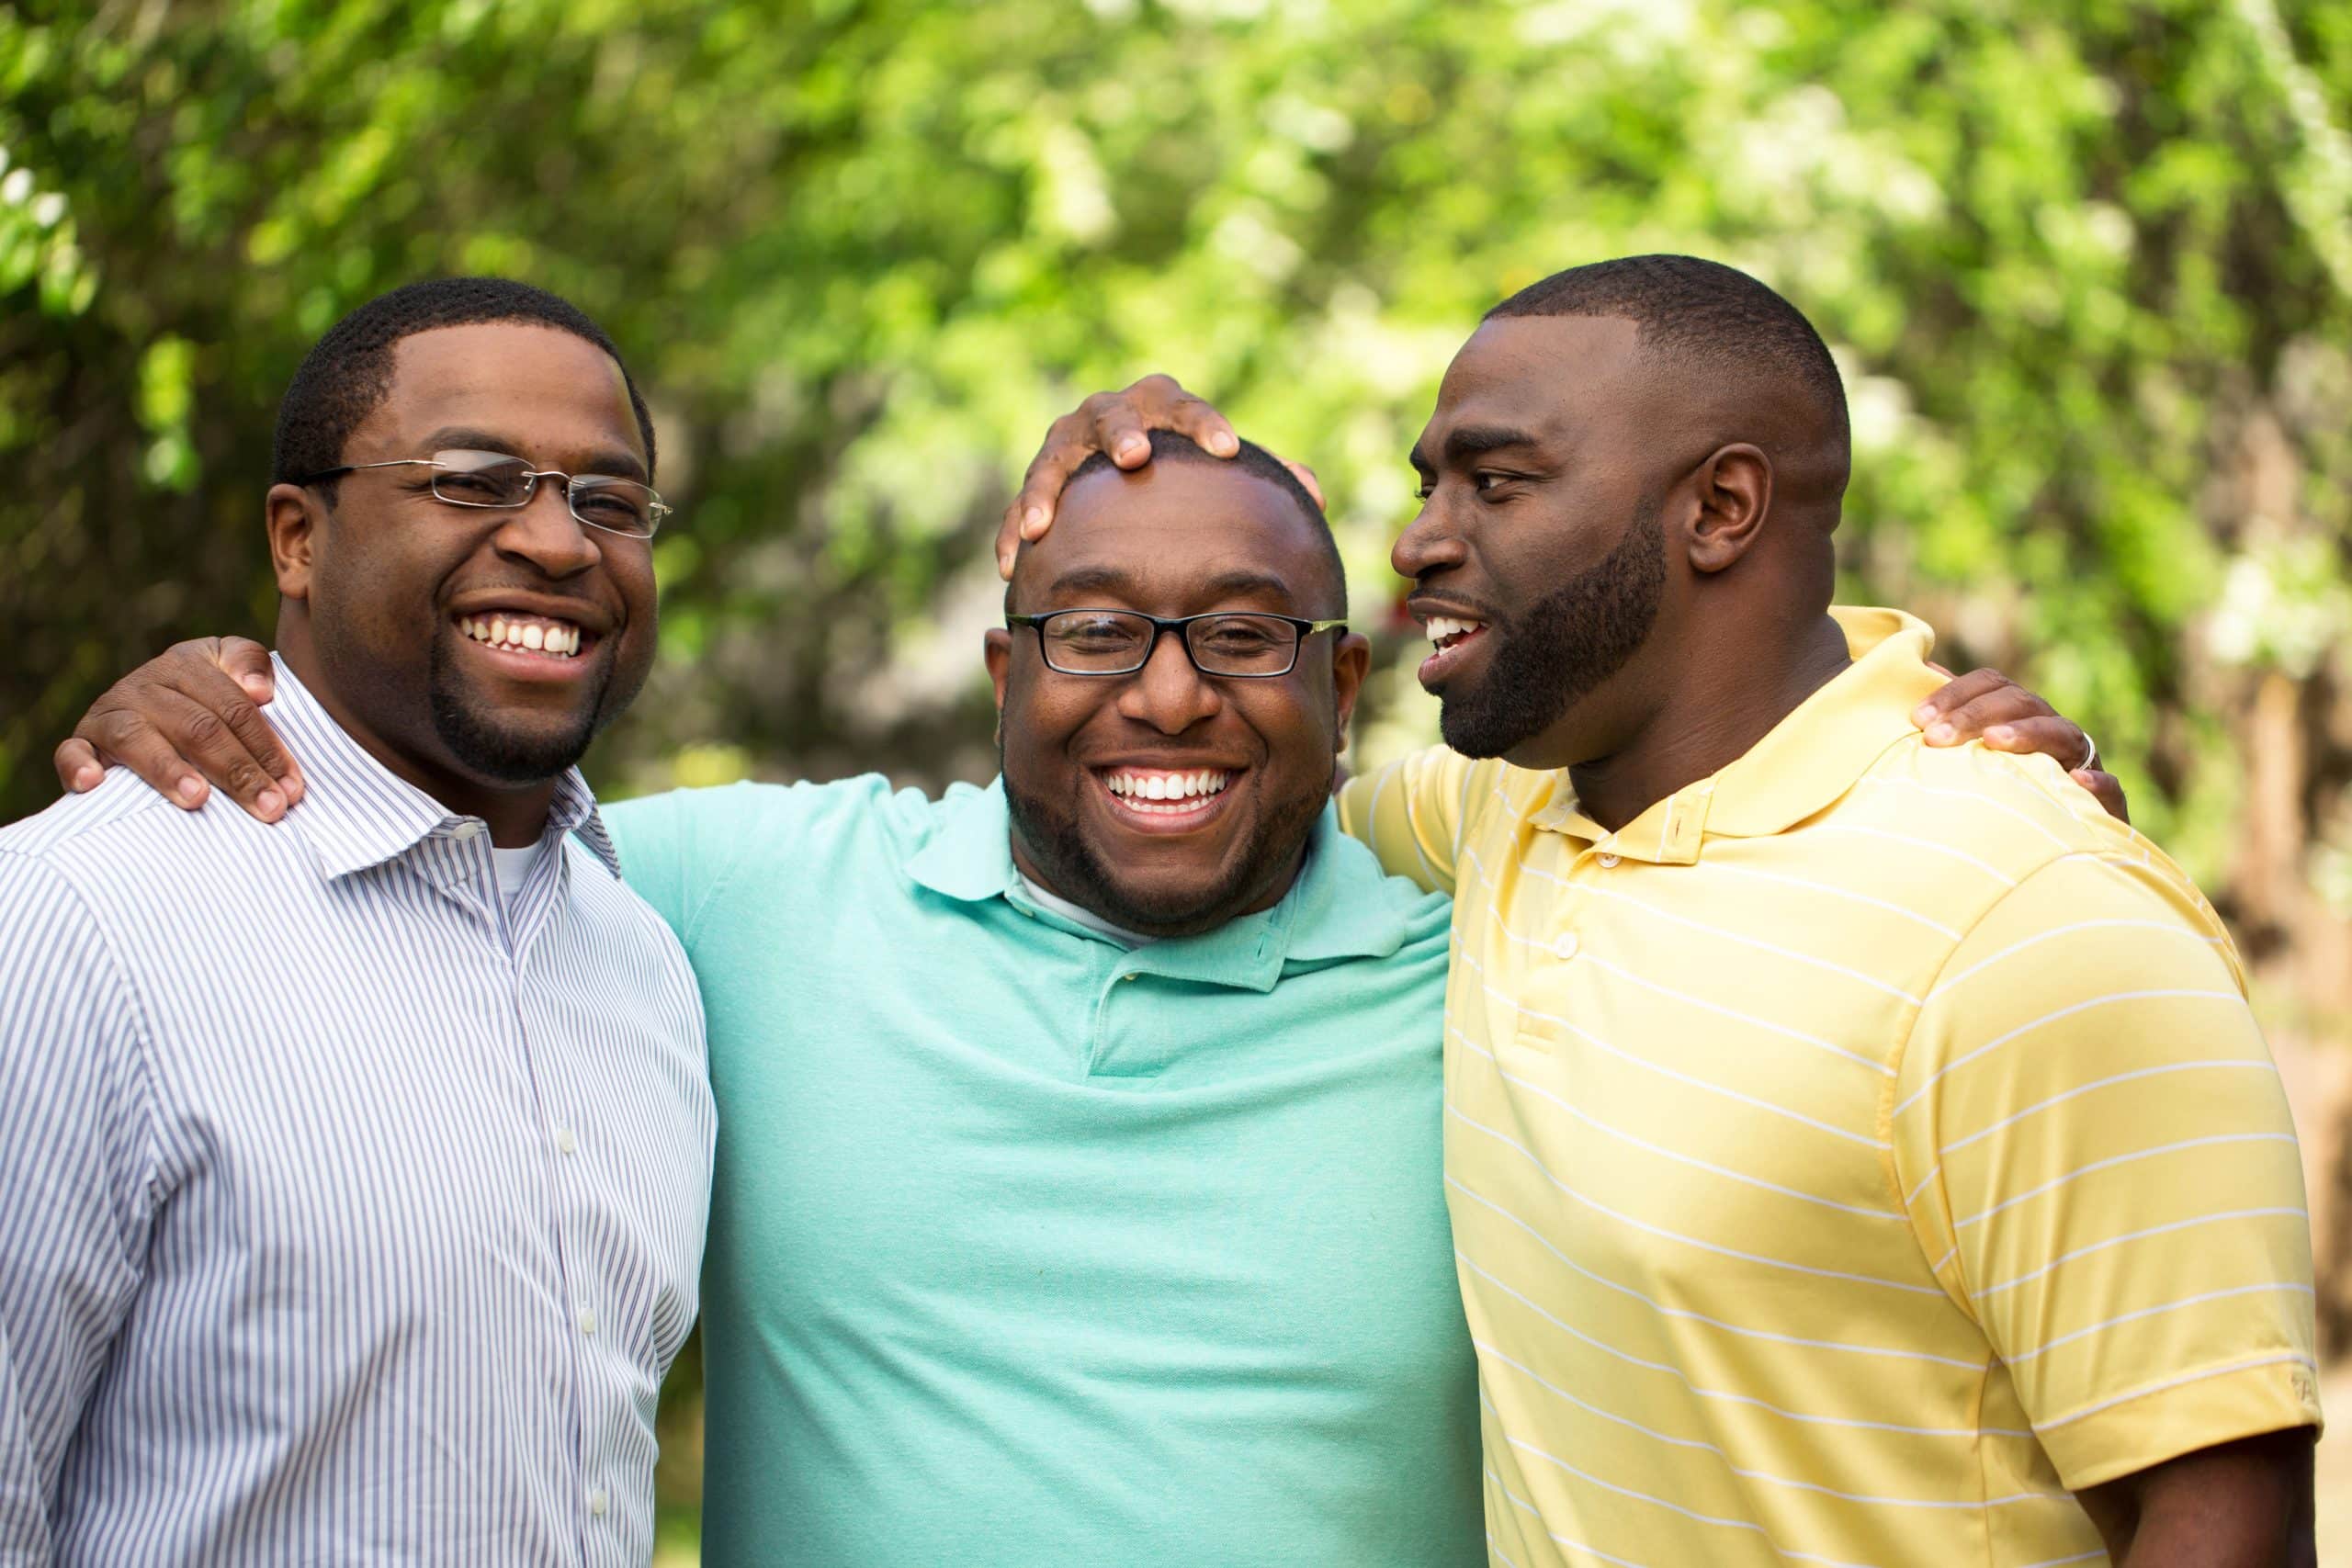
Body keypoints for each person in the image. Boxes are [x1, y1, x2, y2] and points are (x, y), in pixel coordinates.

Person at [45, 450, 2100, 1564]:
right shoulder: (730, 900)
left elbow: (1740, 806)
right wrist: (238, 687)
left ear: (1343, 683)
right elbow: (425, 844)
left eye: (1241, 637)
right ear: (999, 670)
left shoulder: (1500, 931)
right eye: (1097, 630)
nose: (1169, 693)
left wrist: (1935, 750)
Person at [1002, 255, 2321, 1565]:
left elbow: (2225, 1524)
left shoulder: (2031, 923)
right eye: (1429, 486)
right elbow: (1209, 792)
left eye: (1498, 482)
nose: (1416, 543)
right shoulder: (1501, 818)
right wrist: (1121, 467)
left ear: (1723, 506)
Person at [0, 278, 713, 1564]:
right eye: (471, 480)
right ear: (296, 538)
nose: (559, 543)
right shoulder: (79, 921)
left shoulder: (644, 961)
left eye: (608, 501)